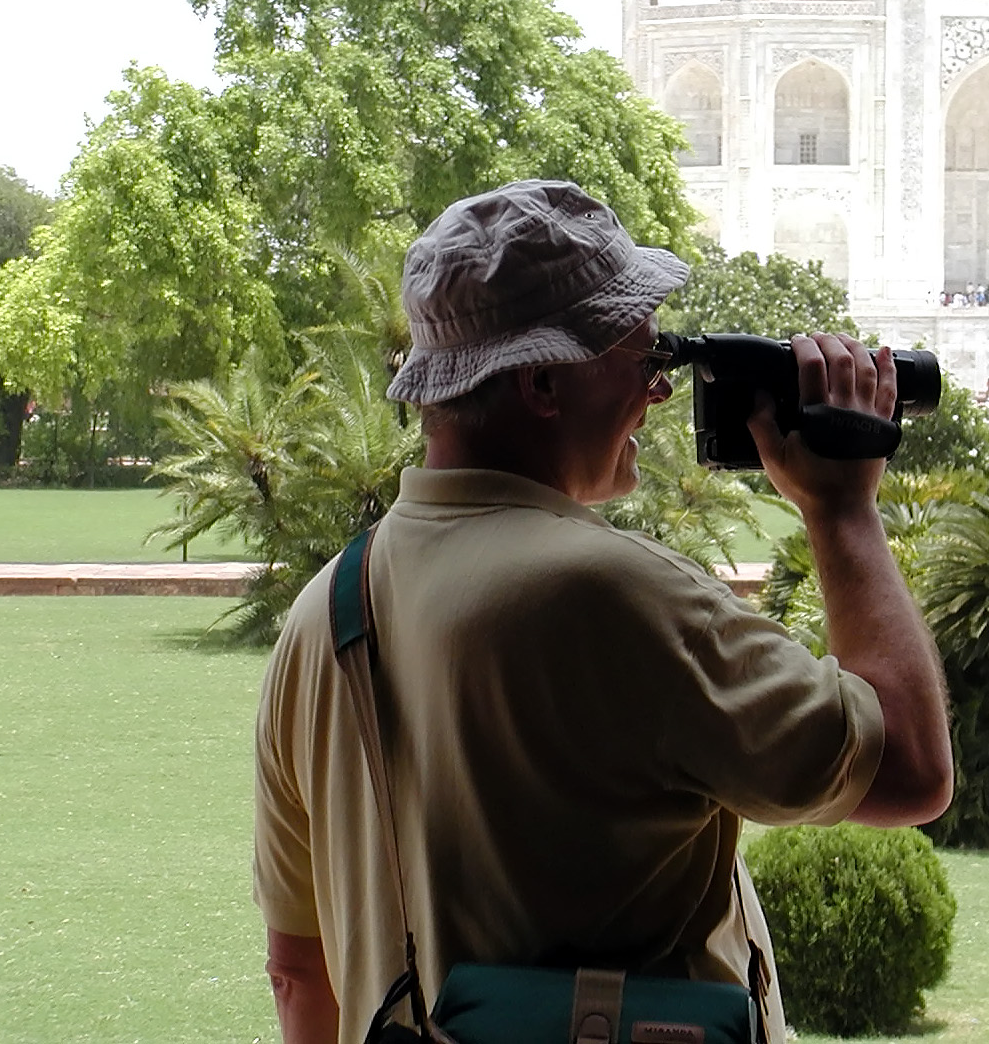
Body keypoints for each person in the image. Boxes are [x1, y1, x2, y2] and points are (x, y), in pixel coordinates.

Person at [252, 179, 953, 1044]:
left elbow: (296, 971)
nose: (657, 397)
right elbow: (912, 770)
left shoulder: (324, 613)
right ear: (545, 382)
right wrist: (842, 509)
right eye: (644, 364)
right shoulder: (611, 594)